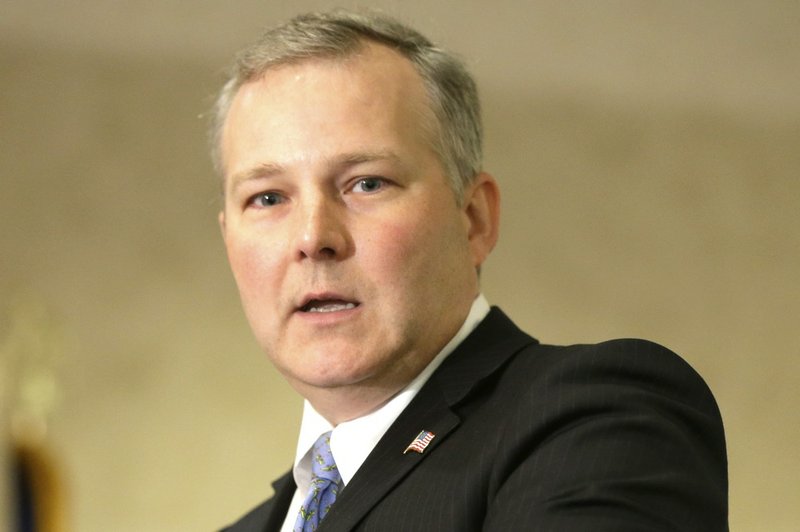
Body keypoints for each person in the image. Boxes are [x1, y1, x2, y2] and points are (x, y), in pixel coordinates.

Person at [213, 9, 728, 532]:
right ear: (228, 238)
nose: (312, 237)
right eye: (268, 197)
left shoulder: (600, 420)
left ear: (474, 219)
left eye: (366, 183)